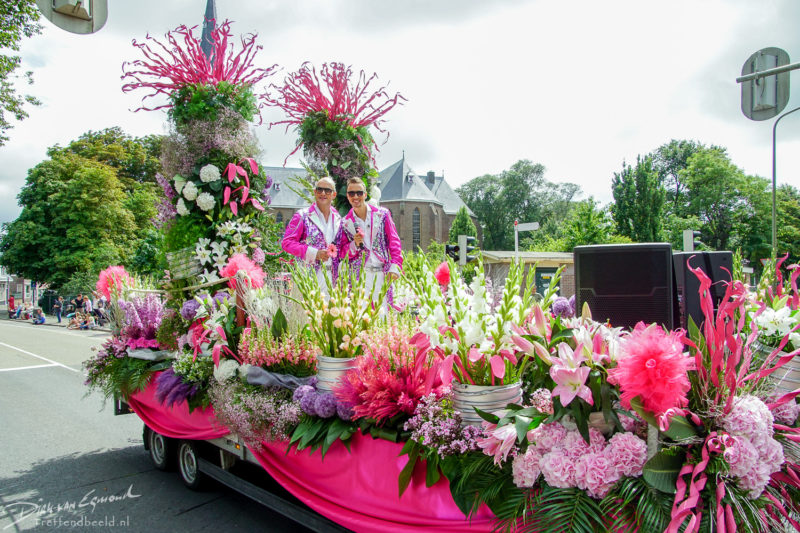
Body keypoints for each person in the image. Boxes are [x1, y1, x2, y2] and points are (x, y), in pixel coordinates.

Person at [335, 177, 402, 302]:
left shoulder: (382, 214)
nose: (355, 196)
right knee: (360, 318)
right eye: (351, 193)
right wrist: (354, 245)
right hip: (357, 278)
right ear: (348, 196)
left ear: (365, 195)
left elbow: (394, 242)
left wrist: (395, 267)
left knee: (382, 317)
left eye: (359, 193)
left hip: (382, 275)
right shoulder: (344, 222)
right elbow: (342, 252)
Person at [281, 176, 342, 291]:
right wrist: (314, 253)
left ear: (334, 194)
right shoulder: (302, 215)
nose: (323, 193)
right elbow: (287, 243)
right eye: (320, 189)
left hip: (333, 278)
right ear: (315, 192)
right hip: (308, 277)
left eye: (328, 190)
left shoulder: (338, 218)